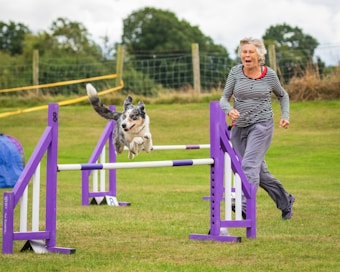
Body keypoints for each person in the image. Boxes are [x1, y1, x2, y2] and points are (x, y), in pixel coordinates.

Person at [219, 37, 295, 220]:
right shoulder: (235, 72)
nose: (246, 55)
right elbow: (223, 98)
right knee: (259, 173)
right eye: (244, 52)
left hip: (262, 126)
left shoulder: (269, 75)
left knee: (249, 165)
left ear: (259, 55)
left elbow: (283, 96)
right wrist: (229, 110)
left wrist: (285, 116)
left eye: (250, 52)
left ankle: (244, 205)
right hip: (239, 128)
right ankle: (286, 200)